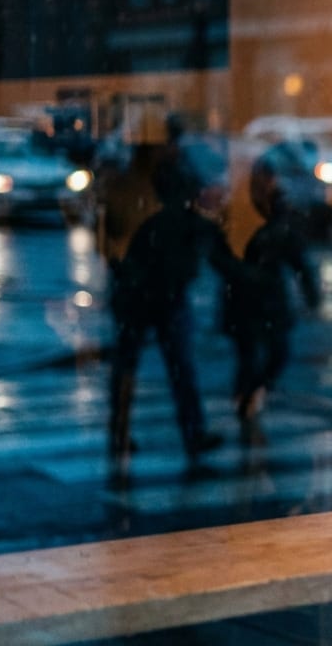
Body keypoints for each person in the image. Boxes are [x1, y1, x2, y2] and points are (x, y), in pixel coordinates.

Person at [107, 142, 244, 479]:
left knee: (137, 365)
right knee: (177, 367)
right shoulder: (189, 225)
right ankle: (189, 433)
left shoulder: (154, 223)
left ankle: (121, 434)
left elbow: (121, 253)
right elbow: (227, 265)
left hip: (143, 299)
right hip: (160, 299)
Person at [225, 143, 321, 446]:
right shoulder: (244, 210)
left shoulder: (277, 211)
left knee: (274, 353)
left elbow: (296, 253)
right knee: (252, 354)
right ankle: (247, 402)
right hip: (248, 297)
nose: (271, 181)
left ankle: (250, 396)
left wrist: (309, 289)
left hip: (266, 298)